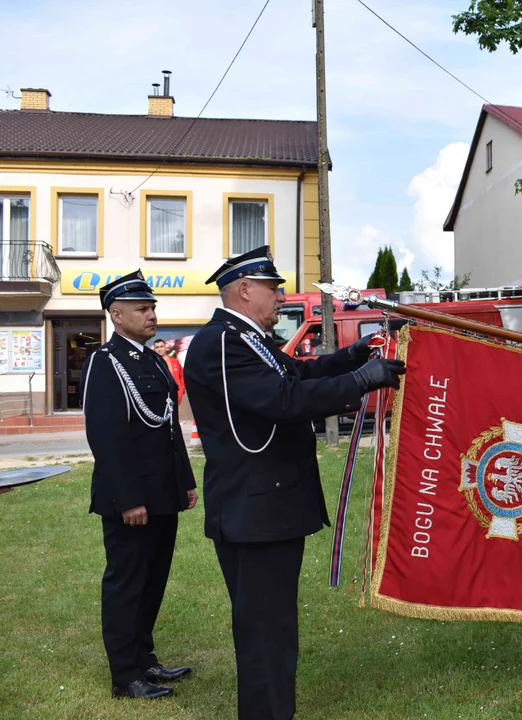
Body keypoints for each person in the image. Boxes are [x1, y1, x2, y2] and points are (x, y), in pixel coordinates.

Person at [183, 247, 405, 720]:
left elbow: (298, 372)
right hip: (255, 511)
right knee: (266, 632)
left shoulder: (245, 337)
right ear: (244, 290)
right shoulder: (223, 342)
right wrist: (363, 380)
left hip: (265, 508)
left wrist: (357, 353)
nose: (281, 296)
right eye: (273, 287)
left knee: (273, 627)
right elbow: (284, 399)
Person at [80, 270, 198, 700]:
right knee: (127, 583)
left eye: (152, 308)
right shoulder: (104, 362)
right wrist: (128, 499)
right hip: (131, 498)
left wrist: (184, 482)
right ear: (116, 314)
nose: (152, 315)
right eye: (142, 309)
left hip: (162, 493)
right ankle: (125, 675)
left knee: (153, 580)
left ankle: (145, 660)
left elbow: (169, 429)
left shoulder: (152, 360)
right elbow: (106, 438)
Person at [152, 338, 185, 405]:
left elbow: (182, 377)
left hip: (174, 396)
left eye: (161, 346)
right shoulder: (152, 363)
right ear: (154, 349)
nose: (159, 349)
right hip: (159, 397)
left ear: (165, 347)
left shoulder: (174, 362)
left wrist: (181, 390)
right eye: (157, 347)